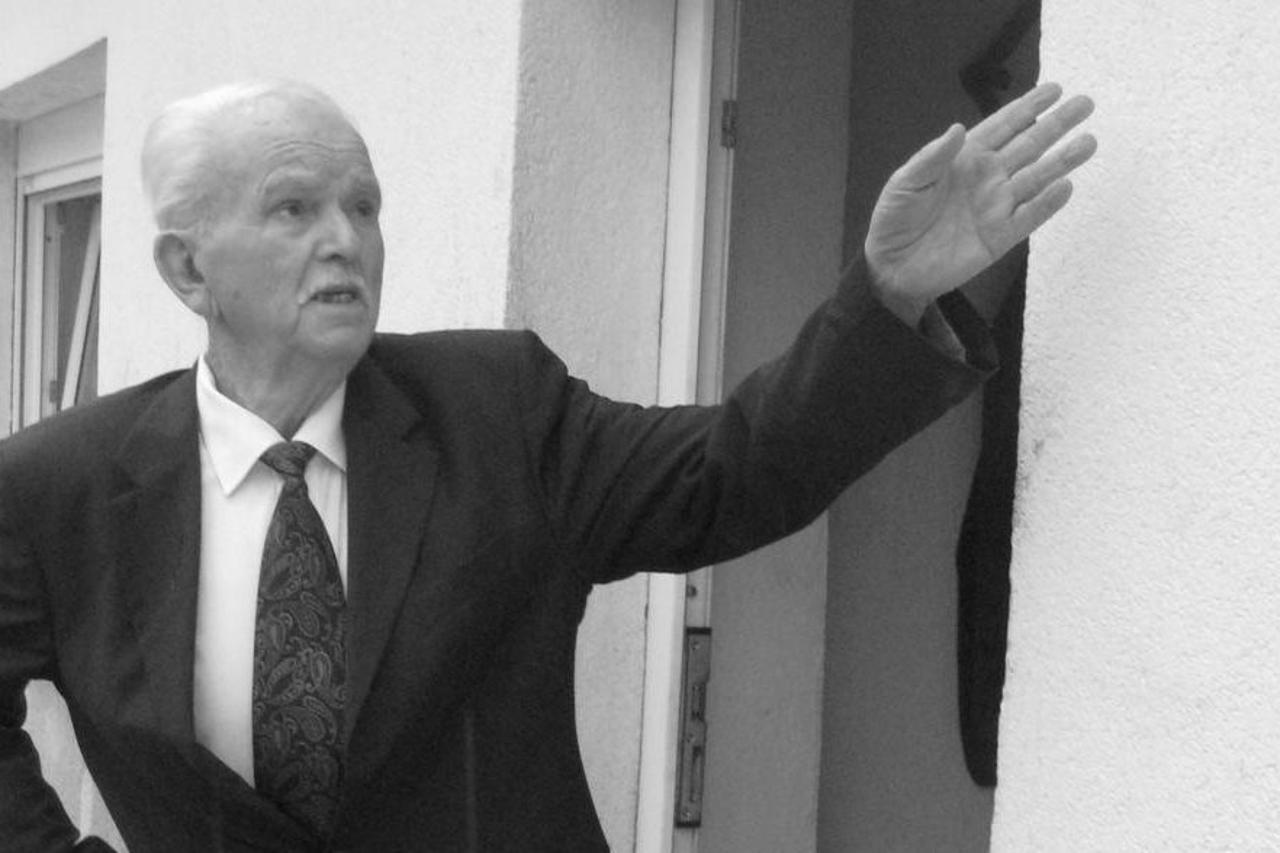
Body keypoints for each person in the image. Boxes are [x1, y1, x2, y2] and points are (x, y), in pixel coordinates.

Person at [0, 78, 1095, 851]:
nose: (346, 238)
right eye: (294, 208)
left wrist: (887, 298)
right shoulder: (57, 487)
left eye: (363, 205)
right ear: (188, 270)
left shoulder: (496, 410)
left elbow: (732, 471)